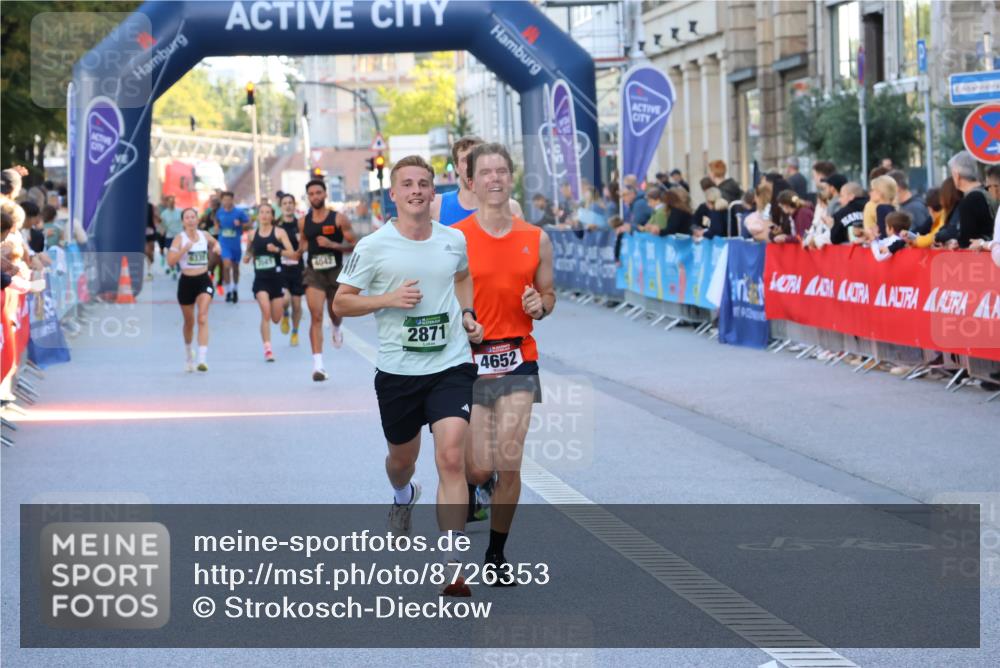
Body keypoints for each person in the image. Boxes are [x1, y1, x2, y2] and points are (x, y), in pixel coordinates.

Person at [334, 155, 484, 597]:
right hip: (399, 371)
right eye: (408, 184)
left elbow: (462, 278)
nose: (416, 190)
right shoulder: (374, 246)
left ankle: (452, 566)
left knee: (452, 458)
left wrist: (469, 314)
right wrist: (388, 298)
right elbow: (342, 303)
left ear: (432, 192)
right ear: (394, 194)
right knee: (402, 462)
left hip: (451, 364)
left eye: (424, 183)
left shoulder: (452, 239)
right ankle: (403, 495)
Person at [453, 143, 554, 582]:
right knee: (478, 466)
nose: (494, 178)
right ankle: (478, 485)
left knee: (508, 459)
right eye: (485, 172)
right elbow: (443, 296)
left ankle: (495, 556)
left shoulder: (535, 238)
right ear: (471, 182)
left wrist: (539, 304)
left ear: (510, 178)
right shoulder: (455, 238)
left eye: (501, 171)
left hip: (518, 359)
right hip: (469, 360)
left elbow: (549, 296)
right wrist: (465, 318)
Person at [301, 178, 356, 381]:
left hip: (335, 272)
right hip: (313, 273)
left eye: (318, 192)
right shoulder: (303, 222)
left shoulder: (338, 219)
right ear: (308, 197)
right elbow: (302, 246)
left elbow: (355, 244)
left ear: (325, 194)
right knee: (316, 316)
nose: (315, 196)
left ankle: (336, 326)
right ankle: (318, 366)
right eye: (311, 194)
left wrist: (334, 245)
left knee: (335, 313)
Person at [166, 208, 220, 372]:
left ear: (197, 219)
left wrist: (218, 247)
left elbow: (215, 242)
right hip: (186, 282)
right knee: (189, 322)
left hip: (203, 279)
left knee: (202, 317)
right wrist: (184, 249)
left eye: (193, 217)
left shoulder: (204, 235)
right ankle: (189, 354)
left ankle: (202, 359)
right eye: (187, 217)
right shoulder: (179, 239)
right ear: (183, 222)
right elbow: (170, 262)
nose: (190, 220)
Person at [243, 203, 295, 362]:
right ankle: (268, 349)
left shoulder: (279, 232)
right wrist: (247, 256)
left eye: (267, 213)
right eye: (262, 212)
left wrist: (277, 250)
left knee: (276, 318)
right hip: (260, 280)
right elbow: (249, 250)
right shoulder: (252, 234)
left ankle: (285, 309)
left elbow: (292, 253)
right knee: (265, 312)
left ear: (272, 216)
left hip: (276, 279)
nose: (264, 215)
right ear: (258, 216)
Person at [431, 136, 523, 226]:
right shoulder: (436, 205)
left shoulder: (510, 208)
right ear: (456, 167)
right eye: (465, 160)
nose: (471, 165)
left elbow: (525, 240)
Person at [946, 150, 995, 249]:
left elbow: (966, 240)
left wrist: (958, 242)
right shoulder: (989, 192)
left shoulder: (969, 201)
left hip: (982, 260)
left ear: (957, 175)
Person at [277, 193, 305, 347]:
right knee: (285, 299)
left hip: (297, 269)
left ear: (294, 206)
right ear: (281, 207)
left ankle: (295, 332)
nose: (288, 205)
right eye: (285, 203)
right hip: (281, 269)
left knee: (297, 305)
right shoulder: (276, 225)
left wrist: (301, 244)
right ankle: (285, 314)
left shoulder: (300, 224)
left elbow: (305, 246)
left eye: (290, 203)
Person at [216, 191, 250, 302]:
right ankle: (228, 290)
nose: (227, 201)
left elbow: (248, 224)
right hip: (224, 243)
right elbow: (217, 223)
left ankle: (235, 289)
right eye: (225, 199)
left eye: (229, 199)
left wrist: (240, 224)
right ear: (222, 201)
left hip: (235, 244)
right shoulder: (219, 212)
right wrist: (217, 227)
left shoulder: (239, 212)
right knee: (226, 266)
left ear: (232, 200)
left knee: (235, 268)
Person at [889, 170, 932, 235]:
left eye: (888, 188)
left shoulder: (915, 207)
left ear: (897, 187)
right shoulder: (904, 205)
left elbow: (924, 232)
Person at [863, 174, 898, 239]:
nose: (870, 193)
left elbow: (881, 233)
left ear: (880, 192)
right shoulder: (894, 207)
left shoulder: (878, 208)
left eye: (873, 190)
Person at [159, 195, 183, 278]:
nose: (171, 203)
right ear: (167, 203)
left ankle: (178, 265)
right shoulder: (164, 214)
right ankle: (173, 271)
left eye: (173, 202)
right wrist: (161, 231)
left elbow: (184, 222)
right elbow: (161, 225)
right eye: (169, 202)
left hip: (179, 236)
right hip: (169, 236)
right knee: (171, 253)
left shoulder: (179, 211)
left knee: (179, 253)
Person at [145, 201, 160, 280]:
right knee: (146, 251)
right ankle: (149, 270)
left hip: (150, 230)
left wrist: (157, 218)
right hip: (140, 231)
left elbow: (157, 218)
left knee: (149, 251)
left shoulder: (151, 206)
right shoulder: (135, 205)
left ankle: (150, 269)